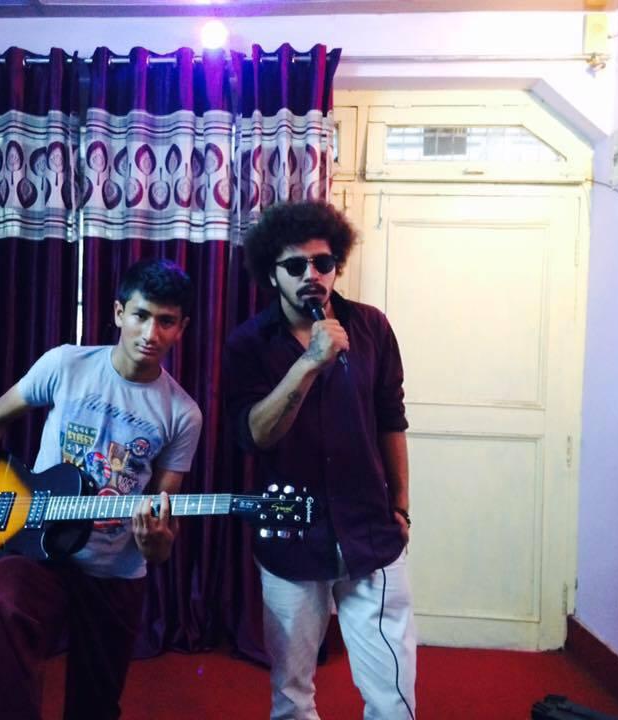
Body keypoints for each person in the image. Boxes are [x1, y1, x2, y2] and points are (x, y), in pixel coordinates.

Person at [0, 258, 203, 720]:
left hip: (115, 572)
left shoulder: (183, 414)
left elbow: (161, 527)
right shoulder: (67, 364)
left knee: (95, 707)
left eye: (166, 321)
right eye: (140, 315)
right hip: (37, 550)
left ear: (182, 328)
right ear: (118, 312)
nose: (150, 333)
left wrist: (156, 543)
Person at [223, 201, 416, 720]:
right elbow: (254, 435)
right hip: (290, 538)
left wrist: (401, 507)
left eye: (323, 262)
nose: (311, 275)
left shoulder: (371, 327)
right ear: (272, 274)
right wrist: (309, 363)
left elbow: (391, 419)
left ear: (337, 266)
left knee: (393, 697)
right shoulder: (248, 344)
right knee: (292, 695)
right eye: (295, 265)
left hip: (370, 533)